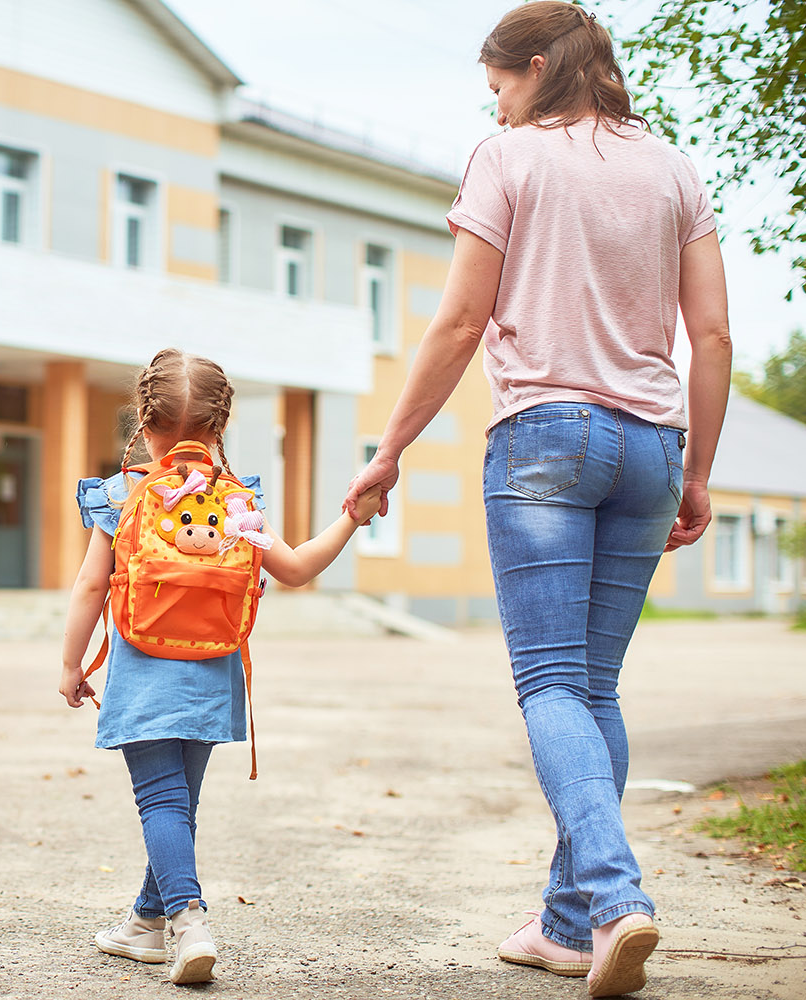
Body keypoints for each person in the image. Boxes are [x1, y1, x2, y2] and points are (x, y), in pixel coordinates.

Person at [342, 3, 731, 997]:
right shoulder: (674, 169)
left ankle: (612, 896)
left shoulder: (506, 159)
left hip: (546, 437)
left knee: (552, 685)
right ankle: (565, 924)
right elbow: (714, 336)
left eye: (501, 87)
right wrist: (697, 470)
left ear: (537, 64)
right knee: (593, 690)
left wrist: (388, 450)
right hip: (651, 443)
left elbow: (463, 314)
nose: (499, 108)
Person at [59, 347, 380, 985]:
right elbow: (294, 570)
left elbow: (90, 588)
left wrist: (72, 664)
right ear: (221, 427)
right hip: (212, 675)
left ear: (143, 427)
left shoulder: (123, 494)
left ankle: (188, 919)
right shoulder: (236, 503)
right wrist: (353, 517)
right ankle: (147, 921)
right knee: (179, 802)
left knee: (159, 800)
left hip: (144, 674)